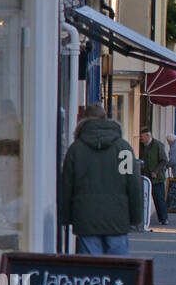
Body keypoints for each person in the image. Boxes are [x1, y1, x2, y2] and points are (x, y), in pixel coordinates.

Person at [58, 103, 143, 255]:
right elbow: (134, 184)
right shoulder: (123, 148)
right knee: (119, 271)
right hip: (117, 218)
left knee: (92, 271)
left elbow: (66, 186)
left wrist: (66, 217)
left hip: (85, 217)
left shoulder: (76, 150)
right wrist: (136, 217)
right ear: (106, 118)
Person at [139, 127, 169, 227]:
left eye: (142, 137)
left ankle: (163, 218)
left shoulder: (158, 145)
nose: (140, 139)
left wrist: (156, 171)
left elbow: (164, 160)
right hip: (145, 176)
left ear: (148, 136)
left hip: (156, 177)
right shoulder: (142, 146)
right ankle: (142, 217)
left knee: (158, 198)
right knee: (143, 197)